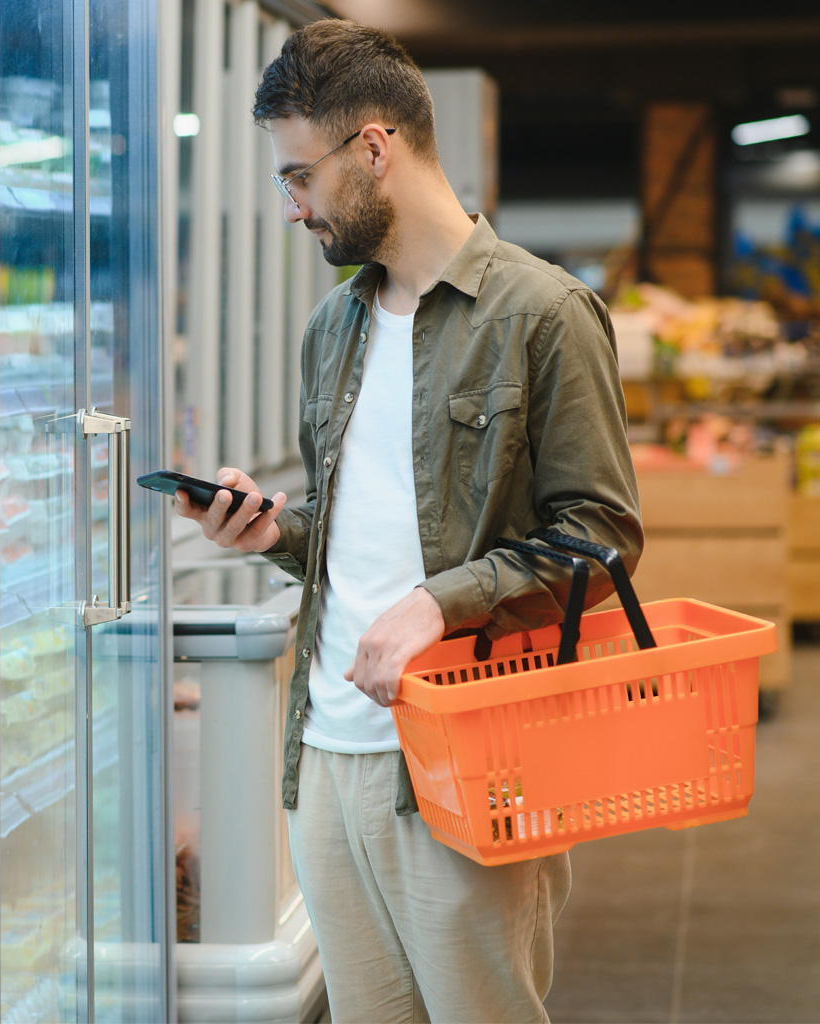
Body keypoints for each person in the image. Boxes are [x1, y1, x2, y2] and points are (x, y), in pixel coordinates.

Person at [177, 18, 643, 1024]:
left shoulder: (544, 314)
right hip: (328, 759)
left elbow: (600, 538)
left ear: (374, 148)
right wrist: (275, 534)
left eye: (297, 176)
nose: (292, 207)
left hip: (471, 760)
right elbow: (366, 528)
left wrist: (441, 604)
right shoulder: (331, 327)